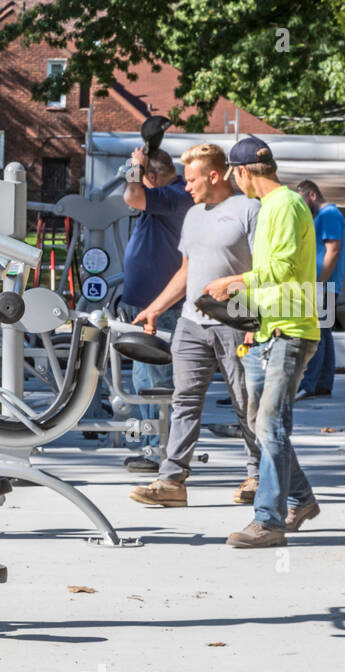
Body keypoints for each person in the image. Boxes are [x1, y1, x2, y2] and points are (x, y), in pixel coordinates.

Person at [129, 142, 261, 508]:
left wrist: (256, 321)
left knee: (245, 401)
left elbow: (265, 271)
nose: (185, 187)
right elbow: (186, 272)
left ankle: (259, 475)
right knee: (184, 400)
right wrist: (156, 308)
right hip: (191, 322)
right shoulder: (193, 214)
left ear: (214, 176)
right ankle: (172, 481)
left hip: (236, 321)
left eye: (191, 180)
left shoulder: (249, 210)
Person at [204, 136, 320, 547]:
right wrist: (250, 319)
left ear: (240, 172)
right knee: (261, 424)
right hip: (268, 328)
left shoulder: (285, 205)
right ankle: (302, 499)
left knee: (271, 424)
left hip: (291, 331)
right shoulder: (271, 207)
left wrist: (231, 282)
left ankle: (268, 522)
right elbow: (273, 274)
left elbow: (283, 269)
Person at [117, 145, 194, 472]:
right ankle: (149, 445)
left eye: (139, 176)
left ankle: (163, 451)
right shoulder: (162, 198)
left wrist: (136, 166)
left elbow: (131, 197)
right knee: (140, 380)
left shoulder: (175, 196)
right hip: (140, 304)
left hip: (163, 306)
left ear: (151, 176)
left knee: (161, 379)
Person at [294, 180, 345, 398]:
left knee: (315, 332)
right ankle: (322, 384)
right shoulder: (326, 215)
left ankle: (310, 384)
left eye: (302, 199)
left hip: (323, 283)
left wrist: (318, 284)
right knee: (324, 331)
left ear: (312, 195)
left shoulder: (328, 215)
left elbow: (333, 250)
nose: (300, 204)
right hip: (325, 283)